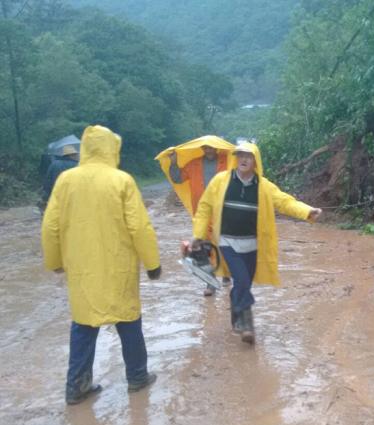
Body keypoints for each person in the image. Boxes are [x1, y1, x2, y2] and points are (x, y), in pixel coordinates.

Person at [41, 125, 161, 405]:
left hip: (81, 270)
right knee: (129, 321)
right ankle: (137, 377)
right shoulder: (122, 181)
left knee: (83, 324)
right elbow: (140, 227)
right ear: (112, 148)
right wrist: (152, 263)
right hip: (118, 268)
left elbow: (50, 226)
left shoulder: (65, 181)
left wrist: (55, 261)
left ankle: (76, 387)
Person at [191, 141, 322, 344]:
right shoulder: (220, 181)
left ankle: (236, 319)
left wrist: (307, 211)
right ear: (235, 158)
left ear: (255, 160)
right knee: (242, 280)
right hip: (227, 243)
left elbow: (284, 201)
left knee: (243, 285)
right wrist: (199, 235)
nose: (243, 159)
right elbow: (204, 207)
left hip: (252, 246)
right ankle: (247, 323)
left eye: (248, 156)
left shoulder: (263, 186)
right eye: (240, 155)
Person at [169, 144, 231, 295]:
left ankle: (226, 274)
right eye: (205, 148)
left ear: (217, 148)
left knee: (223, 243)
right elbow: (177, 178)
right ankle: (210, 283)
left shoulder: (227, 161)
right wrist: (173, 161)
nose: (208, 151)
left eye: (211, 148)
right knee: (202, 247)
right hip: (202, 212)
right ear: (202, 149)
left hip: (222, 210)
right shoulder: (194, 164)